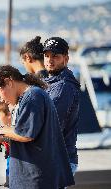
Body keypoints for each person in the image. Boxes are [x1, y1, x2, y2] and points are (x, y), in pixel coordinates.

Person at [0, 65, 74, 189]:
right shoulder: (27, 98)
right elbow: (32, 136)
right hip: (31, 179)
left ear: (8, 82)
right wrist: (3, 138)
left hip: (37, 179)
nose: (1, 100)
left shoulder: (32, 97)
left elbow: (25, 134)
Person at [43, 37, 80, 176]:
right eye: (46, 56)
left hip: (58, 161)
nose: (49, 60)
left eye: (55, 56)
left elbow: (50, 126)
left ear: (66, 58)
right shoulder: (51, 82)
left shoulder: (64, 86)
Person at [0, 102, 11, 188]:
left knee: (9, 167)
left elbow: (9, 139)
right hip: (8, 152)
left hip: (12, 153)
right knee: (7, 167)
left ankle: (9, 182)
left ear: (8, 115)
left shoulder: (9, 127)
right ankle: (7, 182)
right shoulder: (2, 127)